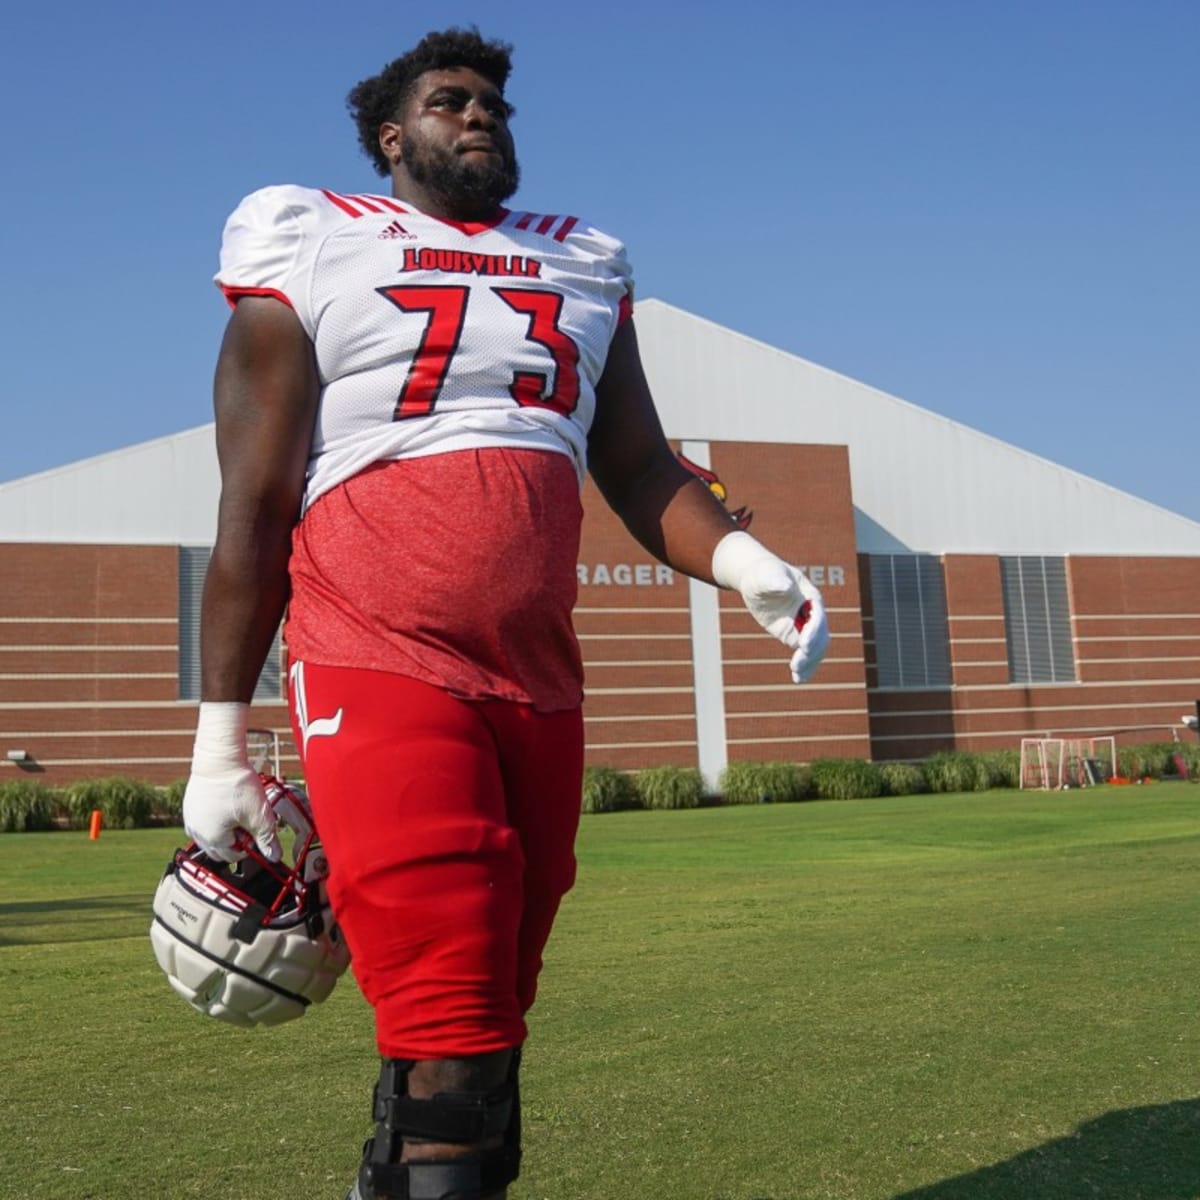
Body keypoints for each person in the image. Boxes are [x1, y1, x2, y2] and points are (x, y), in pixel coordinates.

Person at [181, 26, 830, 1200]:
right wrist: (219, 741)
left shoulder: (581, 261)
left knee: (493, 1005)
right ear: (391, 136)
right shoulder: (312, 239)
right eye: (447, 100)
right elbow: (255, 498)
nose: (479, 115)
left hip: (534, 676)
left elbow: (638, 469)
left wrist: (744, 563)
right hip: (375, 650)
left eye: (494, 104)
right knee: (452, 999)